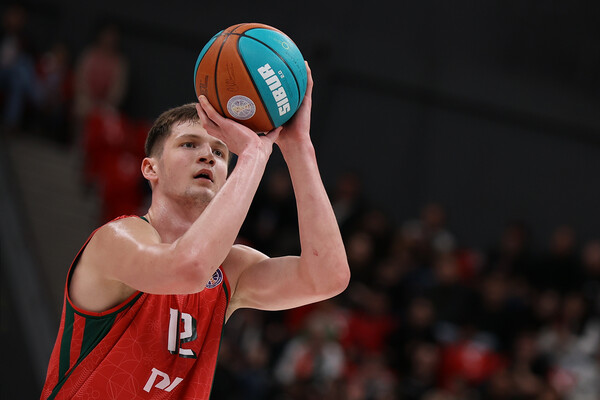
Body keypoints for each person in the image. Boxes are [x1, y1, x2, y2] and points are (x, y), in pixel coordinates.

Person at [40, 63, 350, 399]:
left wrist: (299, 148)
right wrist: (254, 156)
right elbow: (188, 268)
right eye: (189, 144)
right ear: (151, 168)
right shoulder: (115, 240)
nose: (207, 156)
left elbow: (328, 277)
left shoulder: (230, 270)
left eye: (220, 152)